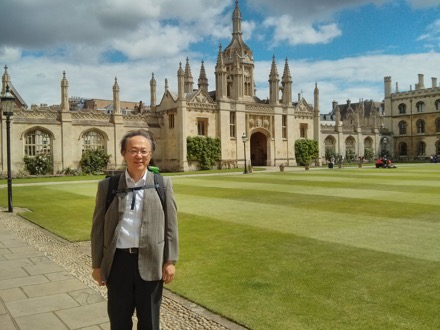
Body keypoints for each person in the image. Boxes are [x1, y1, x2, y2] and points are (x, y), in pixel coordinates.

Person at [91, 129, 179, 330]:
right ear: (124, 153)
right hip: (118, 264)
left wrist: (170, 261)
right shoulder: (108, 186)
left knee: (149, 323)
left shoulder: (162, 185)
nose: (138, 155)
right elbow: (97, 228)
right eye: (133, 150)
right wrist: (97, 265)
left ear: (150, 154)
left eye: (143, 151)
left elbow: (171, 227)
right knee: (119, 321)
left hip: (151, 262)